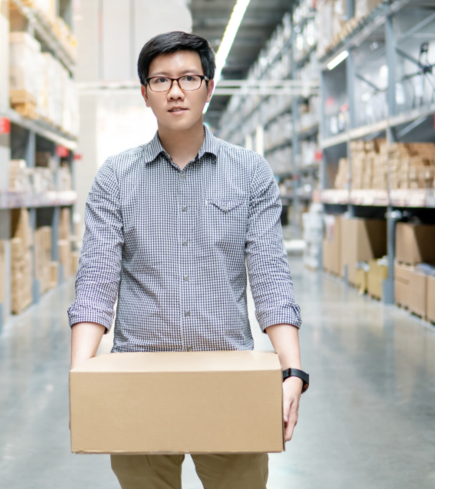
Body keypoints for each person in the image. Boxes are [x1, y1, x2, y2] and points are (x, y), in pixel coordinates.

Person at [67, 31, 309, 489]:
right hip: (137, 381)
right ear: (144, 94)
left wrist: (292, 371)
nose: (175, 91)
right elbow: (95, 284)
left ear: (209, 87)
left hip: (230, 379)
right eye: (160, 80)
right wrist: (81, 380)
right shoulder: (116, 178)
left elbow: (271, 278)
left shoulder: (250, 173)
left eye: (188, 77)